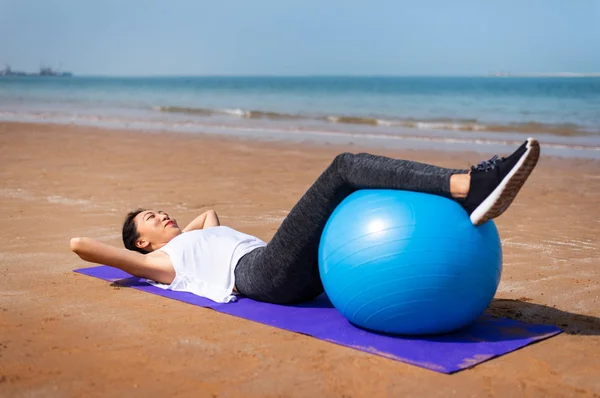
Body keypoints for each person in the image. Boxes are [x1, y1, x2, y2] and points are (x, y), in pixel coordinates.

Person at [70, 138, 540, 305]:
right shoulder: (163, 266)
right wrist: (141, 258)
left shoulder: (186, 245)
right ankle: (467, 186)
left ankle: (465, 197)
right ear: (143, 245)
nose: (163, 214)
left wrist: (181, 233)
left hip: (279, 266)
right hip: (263, 272)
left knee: (351, 186)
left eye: (159, 210)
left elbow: (209, 215)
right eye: (151, 219)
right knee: (343, 168)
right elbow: (81, 244)